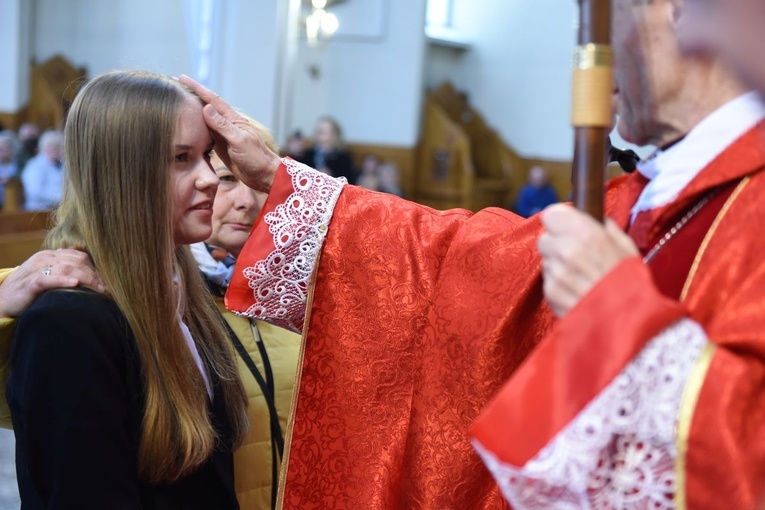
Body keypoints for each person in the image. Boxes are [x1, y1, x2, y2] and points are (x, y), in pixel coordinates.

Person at [180, 0, 765, 500]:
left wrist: (616, 315)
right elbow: (455, 265)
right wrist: (284, 186)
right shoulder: (632, 203)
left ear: (685, 12)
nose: (586, 47)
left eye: (608, 15)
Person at [6, 70, 248, 509]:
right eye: (181, 158)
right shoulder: (69, 323)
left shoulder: (187, 297)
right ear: (122, 172)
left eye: (207, 155)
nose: (212, 178)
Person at [191, 129, 301, 510]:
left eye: (260, 183)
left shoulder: (299, 289)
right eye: (226, 180)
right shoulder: (163, 290)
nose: (247, 202)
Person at [294, 116, 357, 183]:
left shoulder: (342, 158)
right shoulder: (308, 154)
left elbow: (349, 182)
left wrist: (331, 176)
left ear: (334, 136)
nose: (318, 135)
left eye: (323, 132)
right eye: (317, 131)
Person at [20, 130, 64, 211]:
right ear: (42, 147)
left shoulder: (62, 164)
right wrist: (61, 197)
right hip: (39, 210)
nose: (54, 149)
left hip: (59, 208)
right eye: (51, 146)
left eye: (58, 146)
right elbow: (35, 192)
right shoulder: (34, 165)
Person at [0, 131, 20, 209]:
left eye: (7, 148)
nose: (4, 152)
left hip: (15, 202)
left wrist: (11, 179)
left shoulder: (19, 164)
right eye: (1, 149)